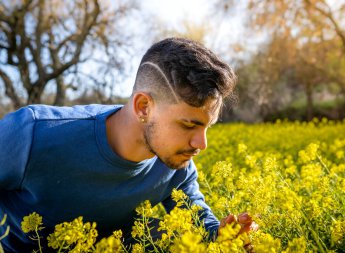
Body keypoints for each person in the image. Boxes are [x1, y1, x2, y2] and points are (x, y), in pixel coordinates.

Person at [0, 37, 257, 252]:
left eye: (206, 127)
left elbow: (200, 222)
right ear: (144, 107)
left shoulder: (176, 163)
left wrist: (226, 235)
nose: (201, 143)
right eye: (189, 125)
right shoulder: (32, 133)